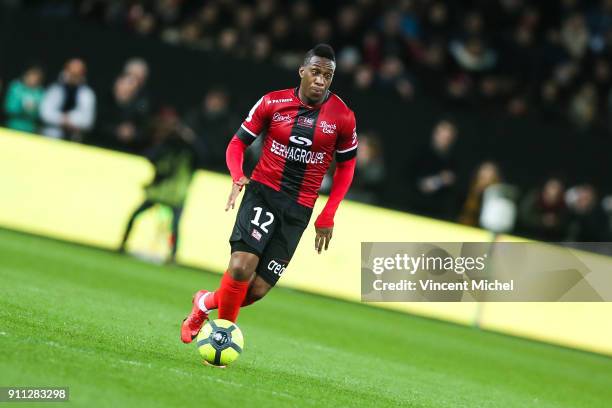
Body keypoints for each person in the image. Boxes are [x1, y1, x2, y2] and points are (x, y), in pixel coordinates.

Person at [180, 44, 358, 344]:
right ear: (302, 72)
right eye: (315, 72)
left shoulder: (343, 116)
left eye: (327, 76)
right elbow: (237, 144)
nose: (320, 81)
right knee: (240, 267)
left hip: (299, 207)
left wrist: (328, 213)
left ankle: (204, 303)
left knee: (257, 289)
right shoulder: (272, 102)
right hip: (263, 192)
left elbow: (347, 167)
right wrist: (238, 176)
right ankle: (222, 337)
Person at [118, 107, 205, 263]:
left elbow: (202, 156)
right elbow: (152, 155)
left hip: (173, 192)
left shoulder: (189, 150)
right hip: (167, 191)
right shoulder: (170, 145)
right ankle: (170, 255)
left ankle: (171, 255)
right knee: (170, 224)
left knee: (172, 225)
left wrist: (188, 139)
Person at [39, 58, 96, 141]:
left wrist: (70, 119)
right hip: (50, 137)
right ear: (65, 71)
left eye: (77, 74)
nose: (73, 77)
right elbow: (44, 114)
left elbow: (88, 121)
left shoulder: (87, 94)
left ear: (82, 75)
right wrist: (62, 119)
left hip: (75, 140)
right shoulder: (55, 89)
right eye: (71, 72)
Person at [3, 65, 45, 133]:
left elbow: (42, 114)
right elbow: (8, 108)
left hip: (30, 130)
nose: (34, 79)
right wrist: (23, 107)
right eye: (32, 75)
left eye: (37, 77)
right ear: (25, 75)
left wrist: (34, 109)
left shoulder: (40, 92)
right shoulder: (15, 87)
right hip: (13, 127)